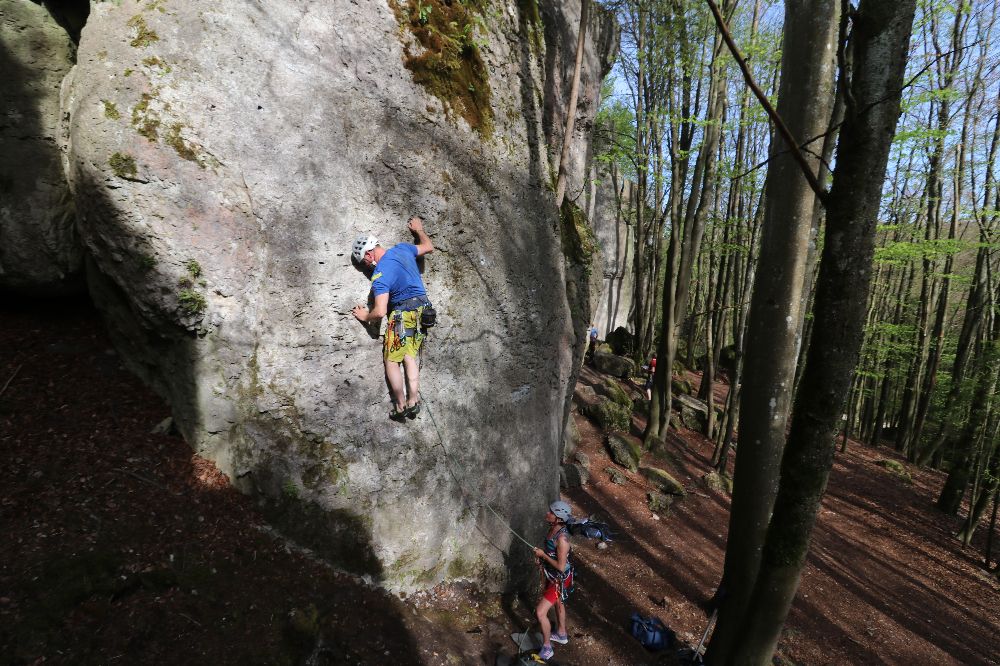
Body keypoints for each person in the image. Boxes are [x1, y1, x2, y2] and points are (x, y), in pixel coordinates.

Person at [351, 216, 433, 421]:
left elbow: (379, 311)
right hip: (423, 311)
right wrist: (419, 230)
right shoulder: (403, 248)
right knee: (409, 356)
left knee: (391, 360)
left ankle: (400, 404)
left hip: (402, 313)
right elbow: (428, 246)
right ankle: (414, 401)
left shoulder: (380, 275)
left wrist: (364, 316)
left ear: (369, 254)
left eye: (365, 262)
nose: (367, 266)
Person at [532, 500, 575, 661]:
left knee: (540, 612)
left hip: (559, 579)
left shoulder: (562, 540)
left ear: (558, 518)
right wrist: (542, 559)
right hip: (555, 576)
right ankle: (562, 633)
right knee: (559, 603)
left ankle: (547, 647)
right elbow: (552, 555)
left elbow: (561, 566)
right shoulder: (553, 529)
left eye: (551, 512)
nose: (547, 514)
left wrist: (543, 555)